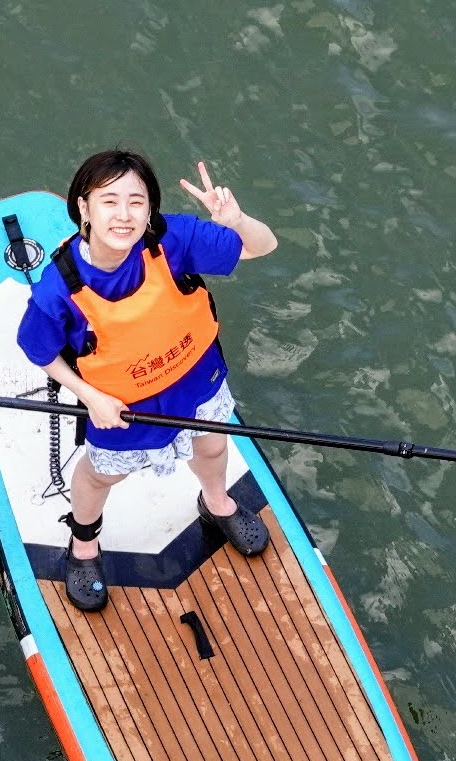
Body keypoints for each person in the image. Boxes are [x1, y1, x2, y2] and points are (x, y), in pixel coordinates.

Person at [16, 150, 279, 612]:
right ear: (84, 208)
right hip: (123, 407)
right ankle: (83, 545)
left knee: (213, 446)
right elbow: (38, 351)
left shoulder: (172, 238)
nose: (124, 215)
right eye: (109, 201)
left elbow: (262, 246)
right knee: (102, 475)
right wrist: (89, 395)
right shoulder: (58, 287)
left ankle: (216, 503)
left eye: (136, 202)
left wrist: (236, 221)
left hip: (197, 382)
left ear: (150, 210)